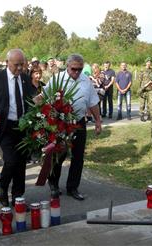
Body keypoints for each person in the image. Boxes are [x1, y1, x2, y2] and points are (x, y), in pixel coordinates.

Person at [42, 54, 101, 201]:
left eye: (79, 69)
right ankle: (54, 184)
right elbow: (43, 96)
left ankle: (72, 187)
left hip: (79, 122)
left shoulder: (86, 80)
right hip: (61, 123)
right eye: (73, 69)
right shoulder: (58, 78)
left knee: (78, 157)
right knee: (59, 155)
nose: (76, 72)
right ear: (67, 66)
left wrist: (98, 121)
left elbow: (93, 102)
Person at [0, 49, 33, 207]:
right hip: (4, 127)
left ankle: (18, 197)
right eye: (17, 65)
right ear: (7, 62)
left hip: (22, 127)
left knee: (21, 163)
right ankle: (3, 189)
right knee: (10, 161)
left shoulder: (24, 78)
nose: (20, 68)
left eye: (22, 64)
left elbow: (30, 100)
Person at [138, 57, 152, 121]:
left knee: (149, 104)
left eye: (150, 62)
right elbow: (140, 80)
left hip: (150, 89)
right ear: (146, 63)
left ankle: (149, 116)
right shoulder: (142, 70)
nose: (149, 63)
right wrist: (140, 89)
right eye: (148, 62)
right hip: (143, 89)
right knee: (142, 104)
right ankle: (142, 116)